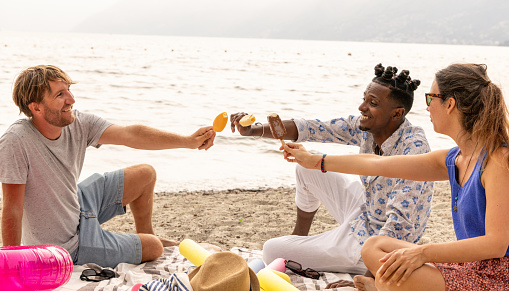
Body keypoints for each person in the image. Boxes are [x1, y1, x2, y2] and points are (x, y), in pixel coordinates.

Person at [283, 63, 509, 291]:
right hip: (467, 267)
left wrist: (422, 253)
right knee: (374, 246)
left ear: (450, 104)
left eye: (431, 98)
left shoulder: (497, 160)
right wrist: (315, 161)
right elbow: (378, 164)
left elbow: (496, 244)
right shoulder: (454, 159)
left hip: (496, 276)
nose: (427, 107)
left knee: (391, 278)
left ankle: (381, 286)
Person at [230, 64, 435, 285]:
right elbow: (315, 128)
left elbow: (399, 225)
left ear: (397, 113)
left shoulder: (414, 148)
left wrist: (369, 278)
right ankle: (300, 238)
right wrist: (253, 130)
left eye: (372, 103)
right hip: (365, 208)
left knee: (271, 250)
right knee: (306, 169)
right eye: (364, 99)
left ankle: (338, 257)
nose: (362, 107)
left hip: (374, 240)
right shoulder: (368, 126)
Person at [0, 65, 216, 268]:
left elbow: (131, 134)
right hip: (66, 245)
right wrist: (12, 265)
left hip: (77, 202)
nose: (71, 100)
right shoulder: (16, 141)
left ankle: (147, 233)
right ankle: (148, 241)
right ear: (35, 107)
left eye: (68, 90)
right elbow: (12, 208)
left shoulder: (77, 122)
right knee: (154, 247)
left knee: (145, 174)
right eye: (60, 95)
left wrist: (188, 141)